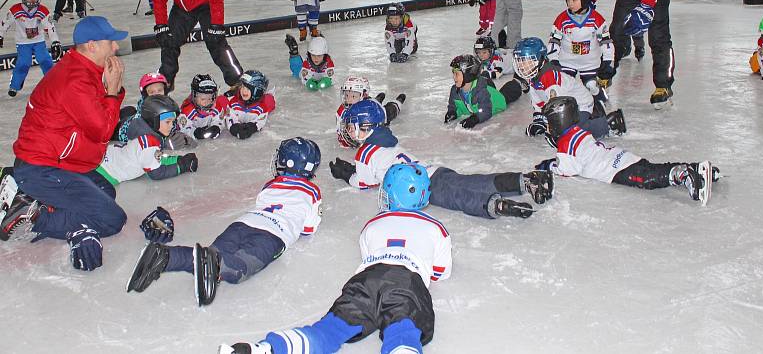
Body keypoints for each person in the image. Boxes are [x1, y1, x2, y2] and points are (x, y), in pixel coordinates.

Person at [218, 162, 450, 354]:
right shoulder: (437, 228)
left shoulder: (372, 225)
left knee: (329, 329)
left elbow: (369, 255)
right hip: (405, 282)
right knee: (403, 331)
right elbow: (439, 272)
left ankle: (267, 348)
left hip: (366, 280)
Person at [127, 137, 322, 307]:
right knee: (237, 269)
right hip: (273, 235)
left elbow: (262, 202)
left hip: (243, 223)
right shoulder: (312, 191)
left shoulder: (270, 185)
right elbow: (308, 229)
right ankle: (172, 258)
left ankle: (167, 256)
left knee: (210, 257)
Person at [1, 17, 127, 274]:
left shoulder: (85, 70)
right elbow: (103, 130)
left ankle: (30, 197)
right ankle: (32, 214)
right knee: (112, 219)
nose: (115, 47)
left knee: (106, 192)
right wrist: (113, 91)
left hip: (59, 163)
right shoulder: (75, 81)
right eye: (110, 42)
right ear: (92, 45)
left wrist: (109, 89)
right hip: (42, 168)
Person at [331, 99, 553, 218]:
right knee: (473, 182)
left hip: (418, 186)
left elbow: (364, 182)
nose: (350, 132)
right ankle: (524, 180)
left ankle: (497, 205)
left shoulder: (364, 153)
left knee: (460, 197)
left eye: (352, 127)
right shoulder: (387, 138)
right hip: (433, 170)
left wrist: (347, 174)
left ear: (366, 127)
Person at [535, 96, 717, 206]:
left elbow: (568, 169)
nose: (549, 128)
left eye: (550, 123)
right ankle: (698, 168)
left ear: (560, 121)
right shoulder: (579, 132)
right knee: (651, 168)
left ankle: (684, 174)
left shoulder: (566, 143)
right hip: (619, 157)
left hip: (614, 170)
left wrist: (549, 165)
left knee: (648, 179)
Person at [150, 0, 243, 89]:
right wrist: (161, 24)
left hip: (205, 6)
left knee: (216, 41)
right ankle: (165, 83)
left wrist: (217, 24)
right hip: (181, 9)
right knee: (169, 42)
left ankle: (237, 81)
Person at [512, 37, 625, 141]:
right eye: (520, 61)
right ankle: (596, 111)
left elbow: (559, 106)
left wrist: (553, 131)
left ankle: (609, 124)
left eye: (526, 61)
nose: (522, 66)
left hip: (580, 104)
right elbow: (539, 103)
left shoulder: (550, 77)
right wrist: (539, 122)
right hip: (569, 106)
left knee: (572, 133)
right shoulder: (534, 77)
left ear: (541, 59)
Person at [95, 94, 198, 187]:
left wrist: (178, 159)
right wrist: (182, 166)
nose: (171, 126)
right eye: (167, 122)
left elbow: (155, 159)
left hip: (103, 161)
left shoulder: (146, 135)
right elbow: (157, 173)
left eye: (172, 122)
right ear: (154, 121)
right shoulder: (149, 144)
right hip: (104, 173)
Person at [547, 0, 614, 108]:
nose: (570, 3)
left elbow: (606, 42)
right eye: (567, 0)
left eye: (574, 0)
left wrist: (608, 60)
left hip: (589, 63)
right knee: (563, 87)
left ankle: (601, 97)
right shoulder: (562, 20)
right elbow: (554, 41)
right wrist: (553, 59)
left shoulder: (596, 19)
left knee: (591, 85)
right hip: (567, 62)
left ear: (585, 0)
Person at [0, 0, 62, 97]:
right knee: (23, 63)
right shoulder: (15, 9)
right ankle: (15, 85)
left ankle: (53, 84)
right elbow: (4, 23)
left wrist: (55, 41)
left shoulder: (42, 10)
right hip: (23, 42)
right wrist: (0, 34)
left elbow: (50, 27)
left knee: (46, 61)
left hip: (39, 41)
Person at [444, 54, 523, 129]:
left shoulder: (481, 92)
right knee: (484, 83)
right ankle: (485, 77)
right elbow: (453, 106)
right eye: (453, 73)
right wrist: (452, 112)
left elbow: (486, 111)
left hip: (495, 100)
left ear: (467, 75)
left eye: (457, 74)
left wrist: (475, 118)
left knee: (508, 92)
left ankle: (518, 81)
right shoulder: (454, 90)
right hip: (483, 87)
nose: (454, 77)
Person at [336, 75, 405, 147]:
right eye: (346, 95)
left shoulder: (374, 110)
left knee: (390, 111)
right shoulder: (342, 109)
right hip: (369, 104)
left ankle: (397, 102)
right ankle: (379, 98)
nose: (348, 99)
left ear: (364, 95)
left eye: (353, 96)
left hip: (375, 107)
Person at [114, 71, 170, 142]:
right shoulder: (144, 111)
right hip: (123, 131)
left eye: (160, 90)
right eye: (152, 92)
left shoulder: (168, 104)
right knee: (124, 116)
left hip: (131, 118)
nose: (156, 94)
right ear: (145, 94)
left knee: (129, 110)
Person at [177, 74, 230, 141]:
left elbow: (219, 120)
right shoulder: (187, 111)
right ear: (194, 96)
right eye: (202, 99)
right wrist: (195, 133)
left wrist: (216, 127)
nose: (206, 102)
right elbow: (184, 128)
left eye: (210, 98)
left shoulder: (216, 106)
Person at [225, 70, 276, 140]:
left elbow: (259, 122)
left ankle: (269, 94)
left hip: (266, 100)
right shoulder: (233, 103)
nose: (244, 91)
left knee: (269, 100)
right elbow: (230, 117)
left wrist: (250, 128)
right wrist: (234, 127)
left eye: (248, 88)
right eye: (242, 87)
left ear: (257, 91)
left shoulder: (262, 108)